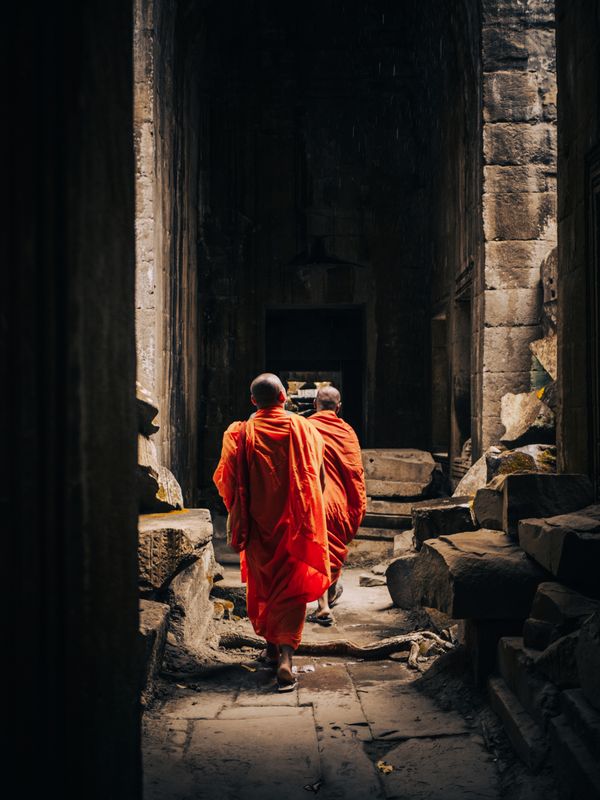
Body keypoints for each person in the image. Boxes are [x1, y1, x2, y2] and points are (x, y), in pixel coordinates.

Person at [213, 373, 331, 690]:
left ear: (253, 401)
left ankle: (270, 646)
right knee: (290, 593)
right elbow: (317, 479)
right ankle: (286, 660)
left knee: (263, 587)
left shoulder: (239, 434)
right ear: (283, 397)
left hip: (258, 529)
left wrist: (241, 506)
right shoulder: (305, 429)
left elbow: (226, 483)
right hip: (295, 526)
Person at [307, 385, 366, 626]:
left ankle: (324, 603)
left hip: (314, 499)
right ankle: (324, 602)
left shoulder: (306, 427)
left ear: (314, 405)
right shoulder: (347, 431)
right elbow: (355, 472)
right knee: (328, 551)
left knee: (318, 550)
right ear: (339, 408)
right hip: (340, 501)